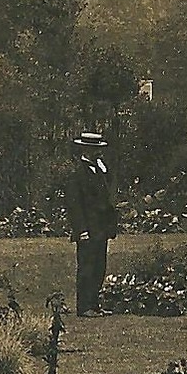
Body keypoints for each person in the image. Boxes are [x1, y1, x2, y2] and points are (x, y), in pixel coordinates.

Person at [67, 131, 119, 317]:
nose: (98, 153)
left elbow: (106, 197)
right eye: (95, 150)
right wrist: (81, 229)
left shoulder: (98, 171)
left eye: (99, 150)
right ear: (85, 150)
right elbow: (74, 205)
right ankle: (84, 307)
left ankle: (94, 304)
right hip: (88, 228)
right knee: (87, 267)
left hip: (100, 229)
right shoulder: (78, 174)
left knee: (99, 267)